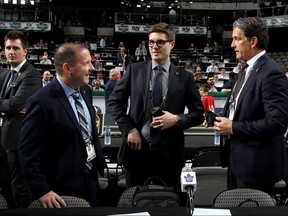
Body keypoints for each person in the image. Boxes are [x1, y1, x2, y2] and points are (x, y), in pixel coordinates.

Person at [107, 22, 203, 189]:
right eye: (151, 42)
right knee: (135, 205)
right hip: (136, 151)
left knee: (168, 204)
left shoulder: (185, 77)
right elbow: (114, 103)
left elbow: (199, 114)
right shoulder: (134, 70)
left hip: (170, 155)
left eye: (160, 42)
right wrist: (130, 129)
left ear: (171, 44)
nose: (154, 47)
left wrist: (177, 119)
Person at [18, 42, 107, 207]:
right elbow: (27, 153)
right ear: (68, 68)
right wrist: (42, 190)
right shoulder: (41, 102)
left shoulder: (86, 91)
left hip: (90, 179)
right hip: (60, 189)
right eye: (87, 63)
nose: (92, 68)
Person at [212, 17, 288, 195]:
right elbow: (240, 108)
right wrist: (222, 119)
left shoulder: (271, 73)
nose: (232, 44)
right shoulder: (247, 69)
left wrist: (233, 127)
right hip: (238, 159)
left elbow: (277, 123)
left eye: (237, 39)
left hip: (257, 167)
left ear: (253, 41)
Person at [0, 30, 42, 208]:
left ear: (25, 51)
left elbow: (14, 105)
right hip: (3, 140)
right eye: (8, 47)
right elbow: (9, 105)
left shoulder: (31, 74)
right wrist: (7, 106)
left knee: (19, 188)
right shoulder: (5, 75)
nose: (11, 51)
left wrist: (8, 106)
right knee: (5, 185)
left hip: (18, 141)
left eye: (16, 48)